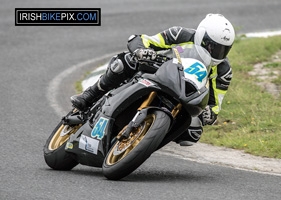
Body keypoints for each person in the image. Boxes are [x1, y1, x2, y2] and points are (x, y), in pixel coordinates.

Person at [71, 13, 235, 146]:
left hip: (184, 91)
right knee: (125, 62)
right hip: (157, 70)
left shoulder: (223, 70)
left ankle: (147, 141)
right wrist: (142, 51)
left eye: (223, 50)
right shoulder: (179, 34)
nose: (216, 52)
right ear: (201, 36)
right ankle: (90, 95)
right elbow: (143, 40)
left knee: (193, 133)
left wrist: (210, 114)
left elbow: (215, 103)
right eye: (212, 46)